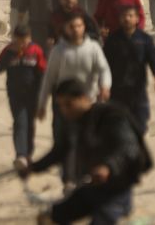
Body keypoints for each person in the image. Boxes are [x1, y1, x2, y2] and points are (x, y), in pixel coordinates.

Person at [20, 78, 150, 225]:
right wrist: (34, 167)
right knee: (50, 218)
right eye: (61, 105)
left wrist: (108, 167)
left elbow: (128, 147)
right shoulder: (74, 123)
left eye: (68, 104)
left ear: (83, 98)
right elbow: (60, 151)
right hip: (91, 188)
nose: (64, 110)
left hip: (116, 193)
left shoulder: (111, 116)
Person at [37, 14, 112, 186]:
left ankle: (84, 177)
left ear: (84, 27)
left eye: (79, 26)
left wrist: (105, 86)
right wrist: (42, 104)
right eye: (72, 26)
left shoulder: (93, 48)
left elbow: (104, 70)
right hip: (64, 106)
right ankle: (68, 179)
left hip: (88, 104)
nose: (76, 29)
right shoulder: (59, 50)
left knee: (87, 142)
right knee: (66, 143)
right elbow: (49, 79)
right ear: (65, 29)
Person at [103, 5, 155, 134]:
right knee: (118, 124)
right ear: (119, 19)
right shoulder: (112, 40)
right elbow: (104, 64)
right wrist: (103, 85)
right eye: (124, 16)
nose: (127, 18)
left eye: (130, 16)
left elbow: (154, 60)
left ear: (137, 19)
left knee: (140, 123)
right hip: (117, 88)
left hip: (138, 88)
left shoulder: (145, 39)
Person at [0, 25, 47, 168]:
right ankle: (20, 155)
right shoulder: (8, 50)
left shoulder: (35, 50)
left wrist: (42, 95)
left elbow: (43, 72)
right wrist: (11, 54)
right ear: (14, 39)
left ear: (30, 38)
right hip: (15, 95)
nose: (23, 44)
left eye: (25, 41)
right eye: (20, 41)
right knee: (19, 122)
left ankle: (28, 154)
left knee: (30, 124)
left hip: (33, 94)